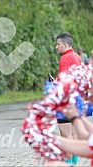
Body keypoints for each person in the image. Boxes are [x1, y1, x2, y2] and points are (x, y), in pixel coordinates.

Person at [55, 32, 82, 164]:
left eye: (58, 44)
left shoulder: (64, 59)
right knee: (74, 134)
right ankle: (75, 163)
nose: (56, 47)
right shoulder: (77, 57)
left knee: (65, 136)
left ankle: (69, 164)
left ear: (65, 45)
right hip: (77, 99)